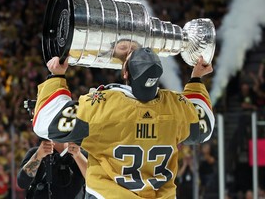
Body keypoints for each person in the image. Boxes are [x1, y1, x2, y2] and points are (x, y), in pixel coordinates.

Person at [33, 47, 215, 198]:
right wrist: (196, 79)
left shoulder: (103, 105)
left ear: (125, 72)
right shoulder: (177, 107)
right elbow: (204, 127)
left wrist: (56, 76)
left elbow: (44, 122)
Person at [17, 140, 87, 199]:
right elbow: (22, 183)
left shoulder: (81, 155)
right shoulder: (37, 152)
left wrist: (78, 155)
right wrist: (38, 156)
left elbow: (95, 181)